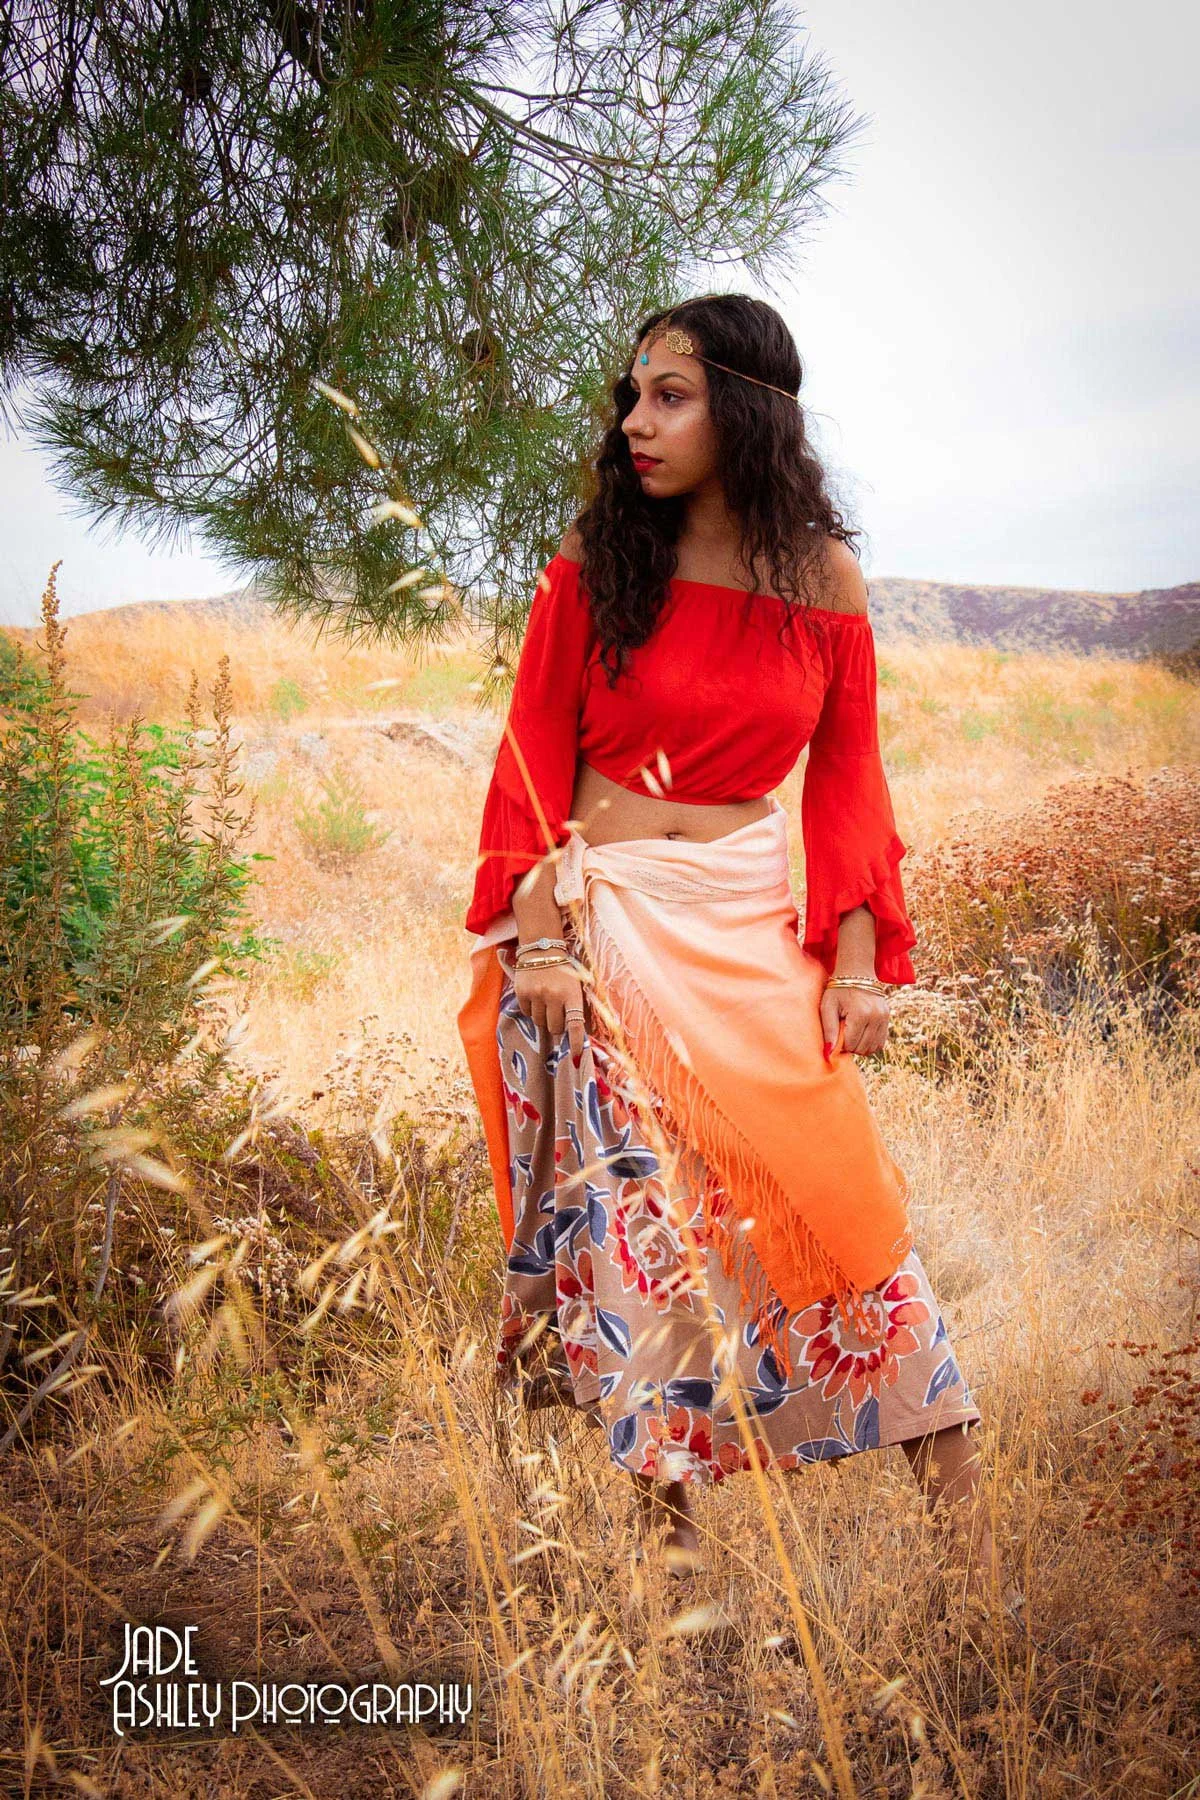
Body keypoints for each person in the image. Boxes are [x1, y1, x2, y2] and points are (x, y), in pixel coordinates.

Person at [458, 294, 1004, 1613]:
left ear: (748, 410)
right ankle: (676, 1579)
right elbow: (534, 745)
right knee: (640, 1239)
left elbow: (849, 781)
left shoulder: (821, 578)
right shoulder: (601, 555)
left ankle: (981, 1585)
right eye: (633, 395)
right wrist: (537, 930)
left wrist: (862, 958)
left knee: (847, 1216)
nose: (638, 423)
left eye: (673, 395)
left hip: (748, 930)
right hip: (602, 932)